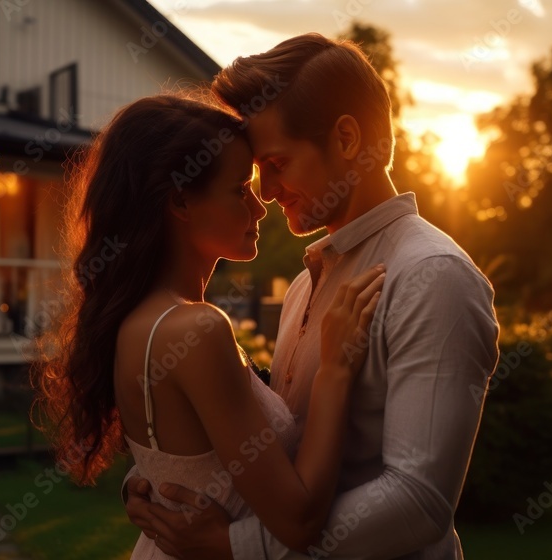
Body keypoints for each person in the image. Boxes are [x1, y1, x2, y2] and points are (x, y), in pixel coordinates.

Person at [123, 33, 501, 560]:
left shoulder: (432, 276)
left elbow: (419, 502)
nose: (268, 192)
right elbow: (277, 453)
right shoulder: (306, 283)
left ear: (347, 139)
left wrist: (235, 547)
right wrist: (165, 482)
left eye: (276, 164)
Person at [32, 93, 388, 559]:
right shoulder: (195, 329)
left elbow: (185, 457)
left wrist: (146, 485)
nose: (261, 207)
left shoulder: (138, 319)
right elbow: (299, 521)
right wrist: (336, 371)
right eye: (240, 188)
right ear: (180, 200)